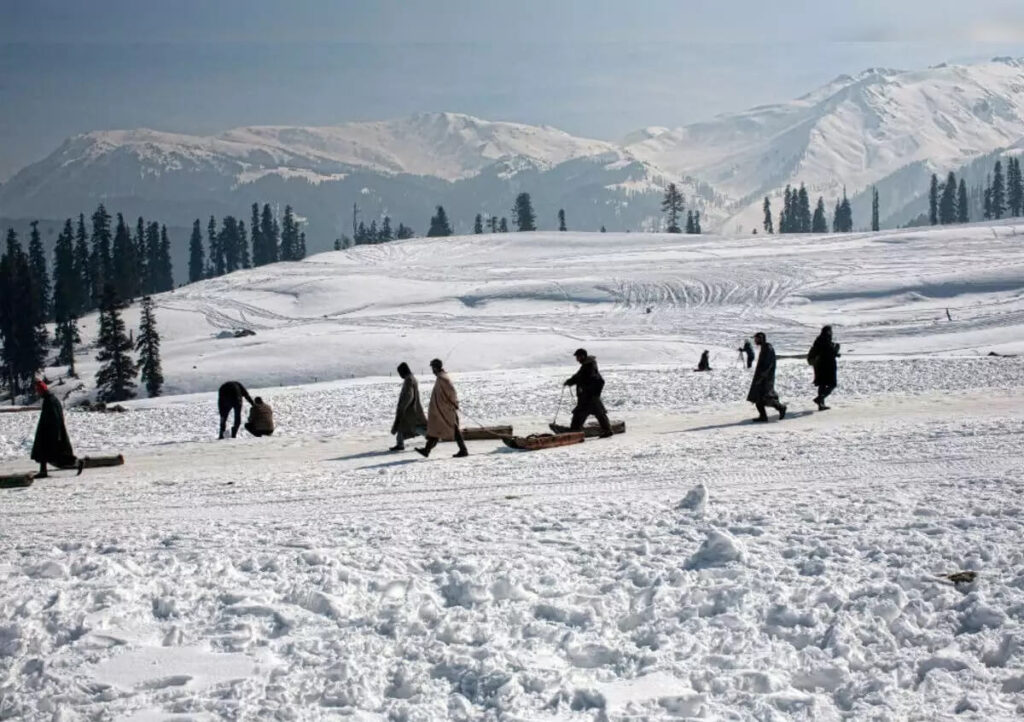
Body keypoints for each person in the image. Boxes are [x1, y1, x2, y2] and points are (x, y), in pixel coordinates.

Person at [31, 380, 83, 478]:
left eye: (38, 391)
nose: (37, 393)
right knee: (45, 452)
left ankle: (77, 463)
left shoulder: (50, 400)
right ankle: (43, 471)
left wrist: (55, 433)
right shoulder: (50, 399)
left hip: (51, 432)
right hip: (48, 430)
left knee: (57, 454)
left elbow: (55, 417)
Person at [416, 359, 468, 458]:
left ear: (436, 367)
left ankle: (463, 450)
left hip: (445, 410)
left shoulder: (443, 379)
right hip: (441, 411)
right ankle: (426, 450)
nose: (432, 370)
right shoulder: (441, 377)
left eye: (432, 367)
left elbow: (452, 392)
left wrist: (453, 404)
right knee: (436, 429)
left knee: (452, 429)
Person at [564, 348, 613, 438]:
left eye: (578, 357)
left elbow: (586, 378)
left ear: (582, 356)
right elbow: (578, 376)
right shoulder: (586, 366)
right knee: (598, 413)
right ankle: (607, 430)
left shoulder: (589, 366)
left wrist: (578, 384)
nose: (577, 359)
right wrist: (570, 381)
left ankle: (575, 431)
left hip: (589, 396)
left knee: (580, 413)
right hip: (589, 396)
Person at [747, 332, 787, 422]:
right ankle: (763, 416)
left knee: (767, 397)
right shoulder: (764, 348)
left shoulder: (768, 348)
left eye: (756, 339)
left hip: (766, 378)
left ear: (761, 338)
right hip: (762, 377)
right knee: (759, 398)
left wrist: (762, 376)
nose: (755, 341)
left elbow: (768, 365)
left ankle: (781, 408)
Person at [390, 362, 427, 451]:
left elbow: (409, 395)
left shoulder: (409, 380)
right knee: (402, 426)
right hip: (411, 408)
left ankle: (430, 436)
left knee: (415, 427)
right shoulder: (412, 378)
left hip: (409, 409)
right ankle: (400, 444)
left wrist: (403, 407)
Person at [807, 325, 840, 411]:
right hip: (828, 366)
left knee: (822, 384)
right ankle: (820, 399)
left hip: (819, 366)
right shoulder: (826, 340)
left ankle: (821, 405)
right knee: (832, 384)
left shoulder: (819, 340)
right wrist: (836, 349)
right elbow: (829, 353)